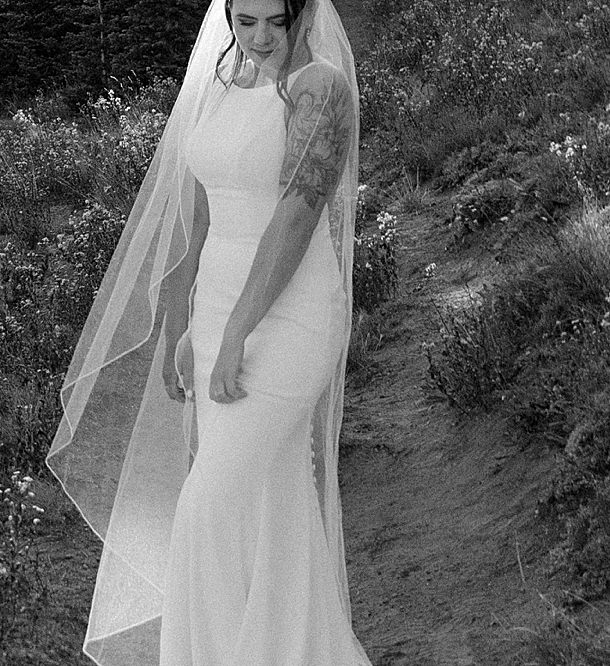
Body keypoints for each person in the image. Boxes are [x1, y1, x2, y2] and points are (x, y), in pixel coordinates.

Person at [46, 0, 371, 663]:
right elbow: (199, 219)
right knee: (273, 501)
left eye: (273, 22)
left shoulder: (321, 89)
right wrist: (184, 324)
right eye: (244, 20)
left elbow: (296, 218)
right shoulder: (222, 85)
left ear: (301, 13)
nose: (257, 37)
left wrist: (238, 333)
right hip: (219, 313)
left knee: (205, 508)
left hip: (292, 318)